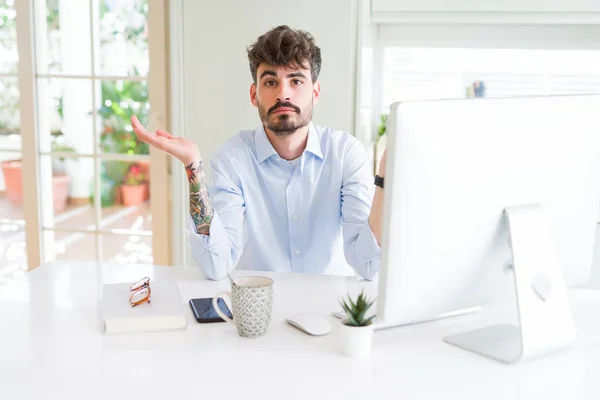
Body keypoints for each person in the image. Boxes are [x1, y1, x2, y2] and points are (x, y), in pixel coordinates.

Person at [131, 25, 386, 281]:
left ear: (315, 92)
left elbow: (368, 266)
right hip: (256, 305)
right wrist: (192, 167)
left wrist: (385, 176)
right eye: (271, 82)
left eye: (296, 81)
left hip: (329, 309)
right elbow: (215, 265)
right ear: (254, 95)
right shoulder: (232, 158)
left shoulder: (346, 154)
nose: (283, 94)